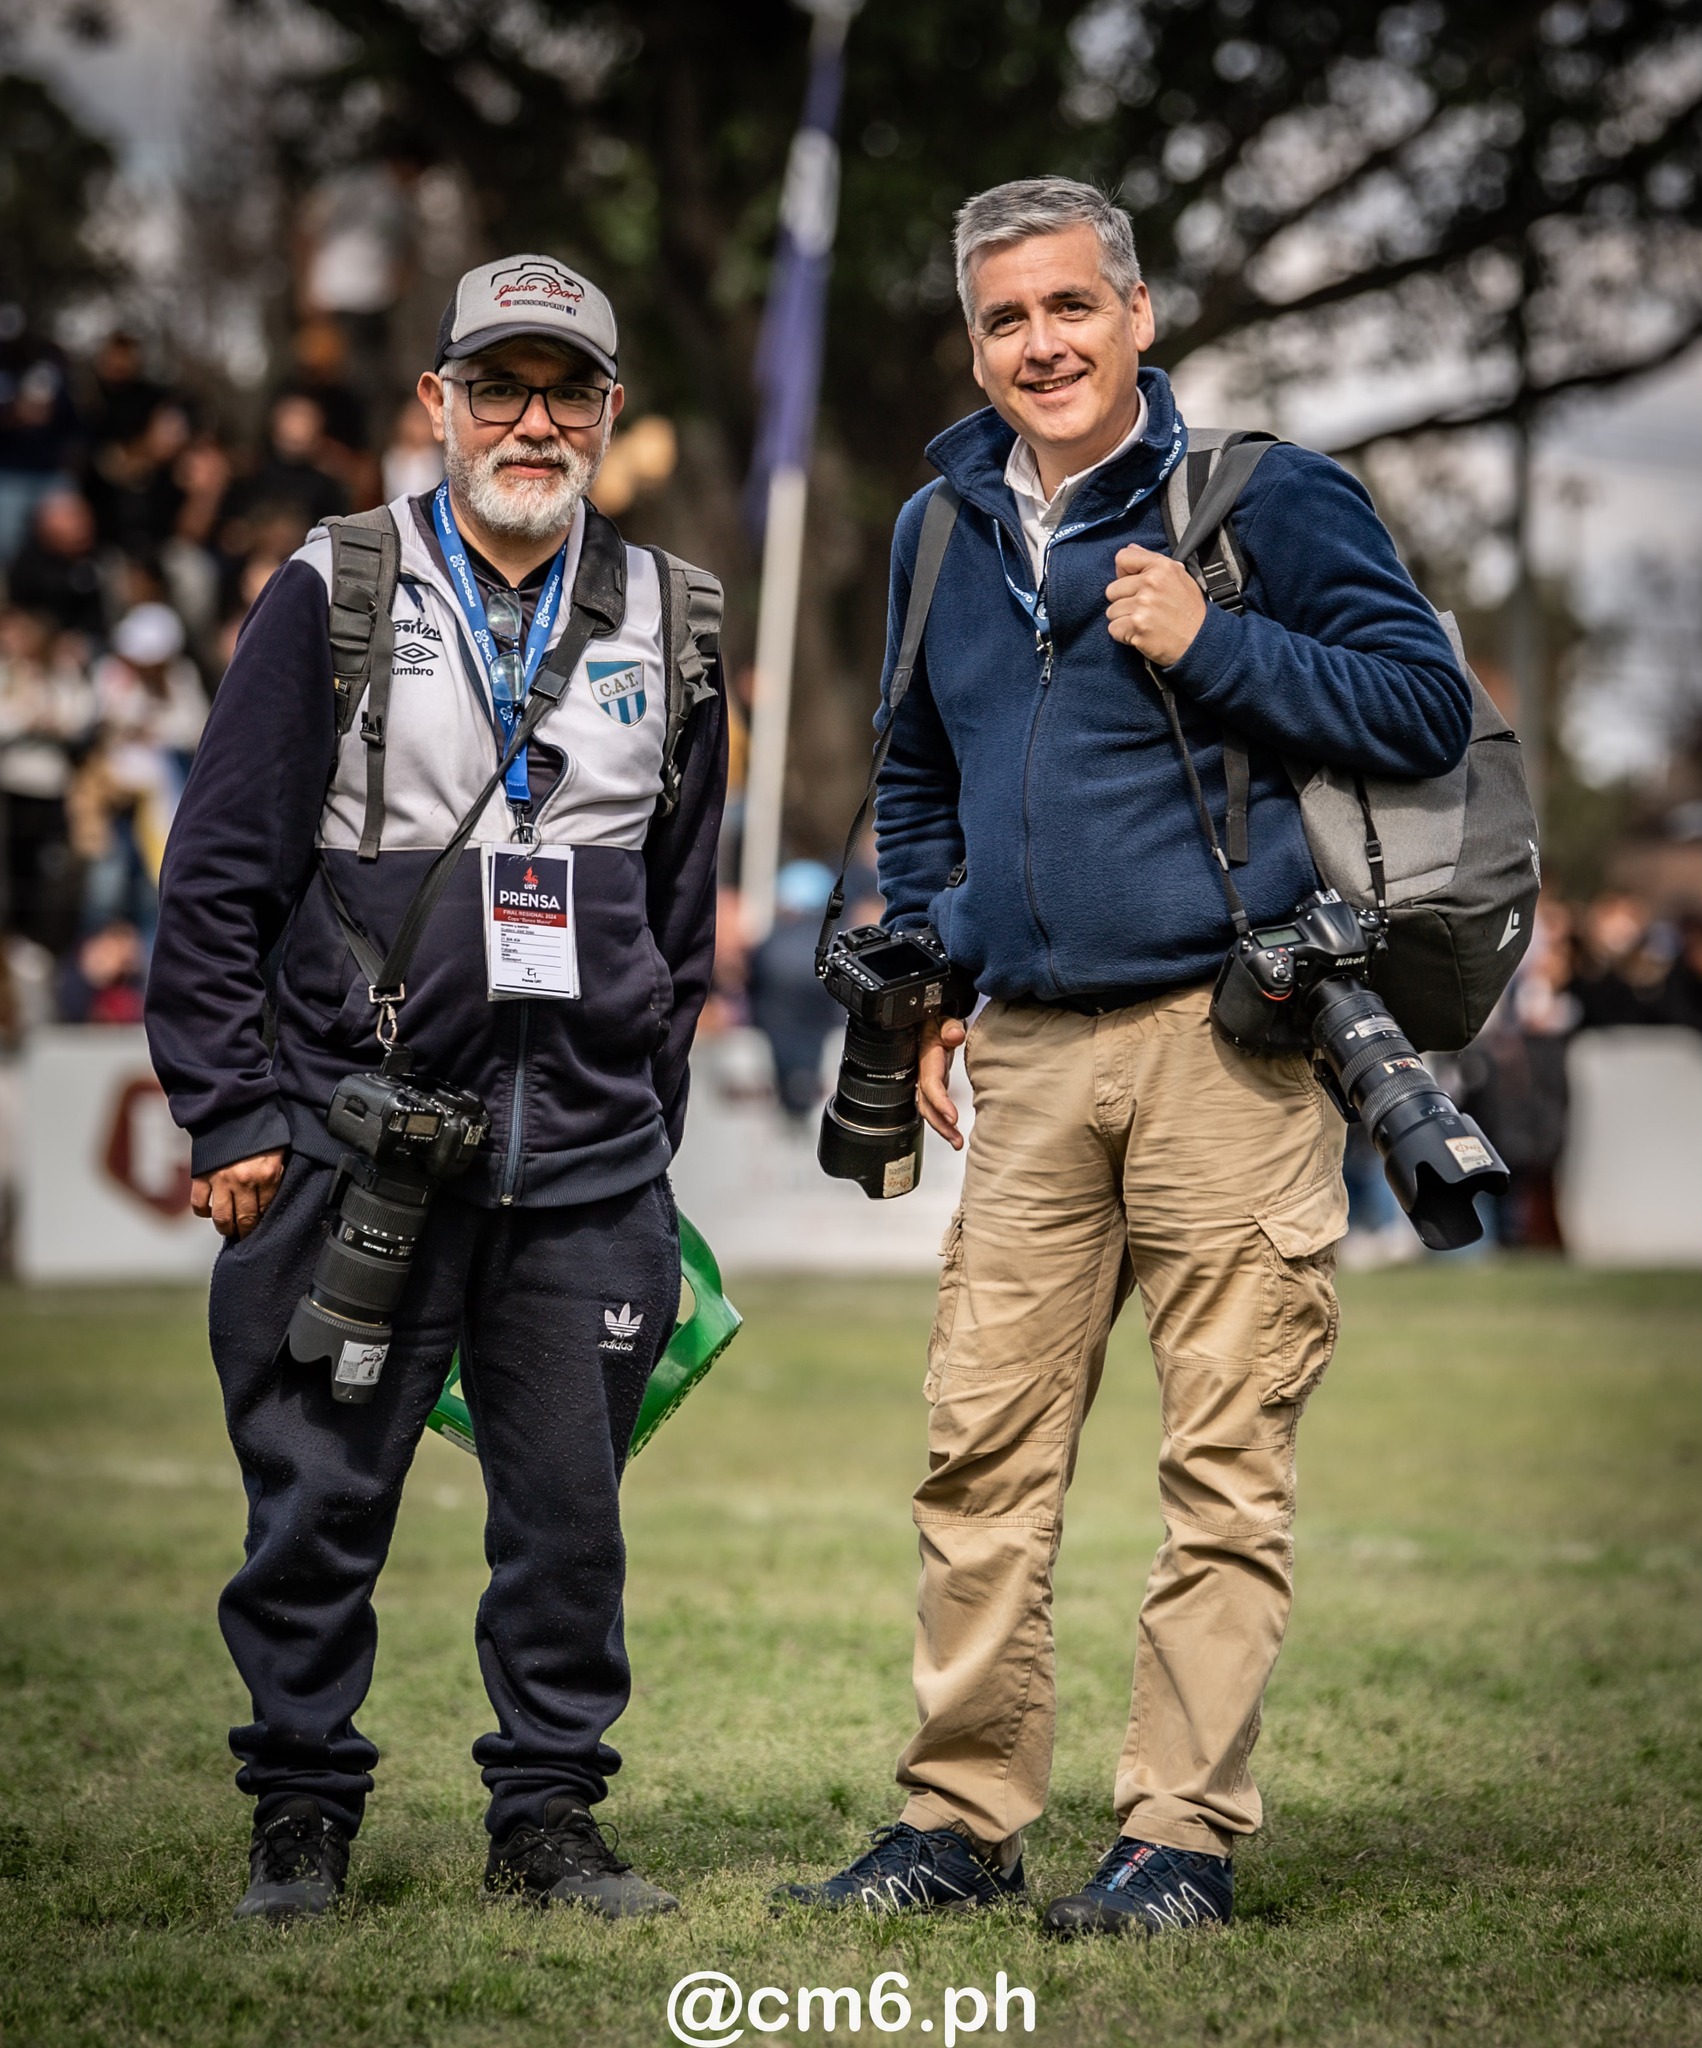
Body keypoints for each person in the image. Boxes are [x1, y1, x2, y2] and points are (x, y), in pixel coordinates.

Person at [778, 179, 1472, 1937]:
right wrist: (926, 967)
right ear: (976, 343)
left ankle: (1176, 1841)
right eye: (1006, 320)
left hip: (1225, 1046)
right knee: (977, 1451)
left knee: (1222, 1465)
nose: (1042, 344)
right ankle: (958, 1821)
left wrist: (1210, 638)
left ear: (1138, 314)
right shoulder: (939, 530)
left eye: (1070, 308)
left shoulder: (1258, 494)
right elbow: (919, 779)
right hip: (1022, 1061)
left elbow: (1423, 708)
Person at [145, 253, 726, 1924]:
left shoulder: (678, 620)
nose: (530, 422)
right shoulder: (328, 590)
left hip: (589, 1166)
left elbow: (679, 925)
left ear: (610, 415)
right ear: (438, 406)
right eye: (497, 387)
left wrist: (639, 1122)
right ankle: (300, 1817)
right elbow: (219, 881)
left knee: (567, 1527)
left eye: (566, 392)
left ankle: (547, 1819)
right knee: (317, 1505)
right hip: (354, 1143)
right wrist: (234, 1112)